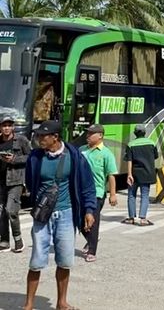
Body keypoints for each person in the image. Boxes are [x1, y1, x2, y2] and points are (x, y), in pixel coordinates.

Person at [23, 120, 96, 310]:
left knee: (64, 260)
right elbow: (31, 183)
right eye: (38, 135)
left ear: (55, 137)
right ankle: (28, 305)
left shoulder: (74, 155)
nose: (38, 139)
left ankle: (61, 302)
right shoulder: (35, 157)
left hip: (66, 214)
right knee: (36, 260)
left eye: (42, 136)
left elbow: (87, 185)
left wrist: (89, 210)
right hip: (42, 216)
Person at [80, 124, 118, 262]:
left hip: (97, 193)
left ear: (100, 136)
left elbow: (111, 175)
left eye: (91, 134)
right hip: (81, 192)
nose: (87, 136)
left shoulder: (106, 153)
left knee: (92, 222)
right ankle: (92, 238)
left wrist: (112, 194)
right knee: (79, 220)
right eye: (87, 133)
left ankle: (92, 251)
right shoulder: (81, 150)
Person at [0, 115, 31, 254]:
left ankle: (18, 240)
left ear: (13, 127)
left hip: (16, 181)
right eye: (4, 125)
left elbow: (31, 157)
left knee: (11, 210)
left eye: (9, 125)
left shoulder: (21, 140)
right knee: (1, 212)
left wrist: (14, 159)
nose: (6, 128)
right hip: (1, 181)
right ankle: (4, 241)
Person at [123, 125, 159, 226]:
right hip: (147, 173)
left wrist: (129, 174)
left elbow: (129, 160)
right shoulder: (151, 143)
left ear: (135, 133)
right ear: (145, 133)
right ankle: (143, 219)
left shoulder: (131, 145)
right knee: (145, 195)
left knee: (131, 195)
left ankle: (131, 218)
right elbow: (156, 156)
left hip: (134, 174)